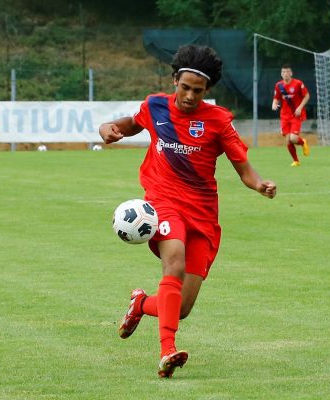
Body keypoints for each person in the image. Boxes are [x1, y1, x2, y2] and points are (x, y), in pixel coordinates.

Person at [99, 45, 277, 376]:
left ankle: (140, 304)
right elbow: (129, 124)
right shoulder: (155, 106)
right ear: (175, 81)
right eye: (185, 87)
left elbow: (244, 171)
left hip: (203, 216)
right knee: (174, 263)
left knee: (181, 307)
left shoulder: (219, 121)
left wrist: (260, 185)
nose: (190, 96)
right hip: (163, 203)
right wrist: (109, 128)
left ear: (207, 91)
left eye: (198, 90)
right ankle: (167, 351)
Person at [272, 64, 311, 166]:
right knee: (288, 141)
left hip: (296, 115)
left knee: (293, 138)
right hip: (284, 116)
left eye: (288, 72)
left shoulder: (298, 83)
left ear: (291, 73)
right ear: (281, 74)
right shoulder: (279, 85)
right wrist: (274, 104)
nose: (286, 74)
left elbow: (307, 96)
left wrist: (299, 107)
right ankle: (296, 161)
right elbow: (276, 98)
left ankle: (302, 142)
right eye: (284, 72)